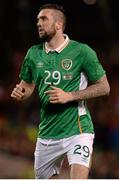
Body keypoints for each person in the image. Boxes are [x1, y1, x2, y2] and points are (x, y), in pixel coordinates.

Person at [11, 3, 110, 179]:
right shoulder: (33, 53)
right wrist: (21, 93)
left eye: (43, 19)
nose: (38, 23)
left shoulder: (81, 51)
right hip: (47, 134)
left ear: (58, 25)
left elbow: (104, 87)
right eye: (37, 20)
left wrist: (70, 96)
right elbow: (26, 87)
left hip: (78, 130)